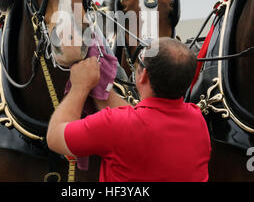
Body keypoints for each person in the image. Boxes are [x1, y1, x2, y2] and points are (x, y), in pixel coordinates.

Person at [47, 37, 211, 182]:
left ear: (143, 75)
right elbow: (138, 121)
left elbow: (55, 136)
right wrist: (103, 88)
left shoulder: (115, 124)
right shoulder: (197, 120)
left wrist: (80, 86)